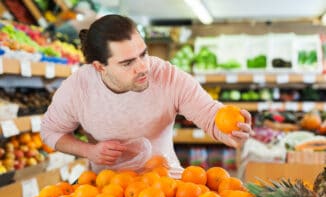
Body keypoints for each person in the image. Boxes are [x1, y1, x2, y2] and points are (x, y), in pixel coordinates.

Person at [40, 14, 253, 178]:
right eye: (127, 62)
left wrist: (232, 131)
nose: (143, 67)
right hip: (109, 195)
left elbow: (209, 114)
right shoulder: (78, 88)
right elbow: (50, 131)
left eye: (143, 54)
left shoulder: (168, 76)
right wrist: (89, 150)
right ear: (99, 67)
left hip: (167, 188)